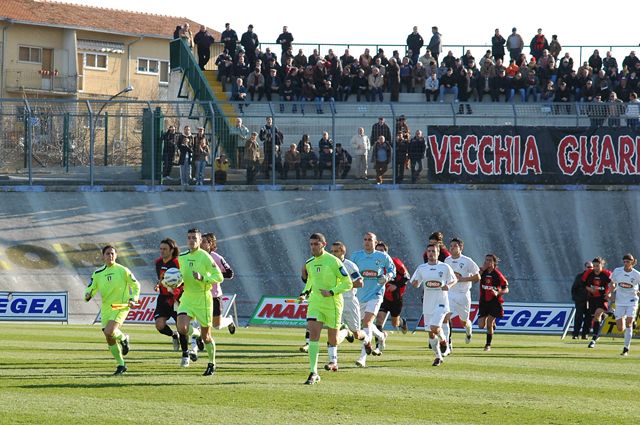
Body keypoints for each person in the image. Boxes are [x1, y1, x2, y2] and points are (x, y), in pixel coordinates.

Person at [299, 233, 352, 384]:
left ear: (323, 244)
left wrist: (331, 292)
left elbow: (347, 283)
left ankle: (345, 331)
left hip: (333, 304)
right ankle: (313, 372)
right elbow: (310, 281)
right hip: (315, 303)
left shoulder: (333, 261)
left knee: (333, 339)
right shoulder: (309, 263)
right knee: (313, 334)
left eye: (316, 244)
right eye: (311, 244)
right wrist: (304, 294)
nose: (313, 247)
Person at [85, 245, 140, 375]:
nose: (110, 256)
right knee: (108, 336)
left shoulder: (123, 270)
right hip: (106, 308)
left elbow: (136, 284)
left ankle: (122, 339)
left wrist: (134, 298)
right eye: (108, 253)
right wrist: (87, 295)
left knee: (110, 331)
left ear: (116, 256)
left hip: (121, 305)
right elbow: (91, 288)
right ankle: (121, 364)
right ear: (103, 256)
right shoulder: (98, 273)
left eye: (112, 253)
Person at [176, 228, 223, 375]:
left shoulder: (205, 257)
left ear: (199, 241)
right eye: (189, 238)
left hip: (203, 298)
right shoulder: (182, 257)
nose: (191, 240)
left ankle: (212, 363)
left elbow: (219, 277)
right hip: (188, 297)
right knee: (181, 328)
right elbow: (181, 278)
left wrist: (203, 278)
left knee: (207, 336)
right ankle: (194, 332)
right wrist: (173, 282)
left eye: (194, 238)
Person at [351, 232, 395, 368]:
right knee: (365, 325)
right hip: (359, 296)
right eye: (365, 239)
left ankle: (362, 357)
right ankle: (381, 337)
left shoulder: (382, 257)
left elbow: (392, 270)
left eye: (370, 240)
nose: (367, 242)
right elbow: (349, 271)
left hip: (375, 294)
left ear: (375, 243)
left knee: (367, 322)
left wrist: (387, 277)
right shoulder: (356, 256)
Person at [410, 243, 457, 366]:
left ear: (438, 253)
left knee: (435, 327)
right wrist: (415, 283)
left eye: (433, 251)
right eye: (429, 251)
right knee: (430, 333)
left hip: (441, 302)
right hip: (428, 303)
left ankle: (443, 340)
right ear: (427, 253)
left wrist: (449, 286)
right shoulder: (422, 268)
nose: (431, 253)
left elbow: (454, 279)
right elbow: (415, 282)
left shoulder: (445, 267)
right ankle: (438, 356)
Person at [326, 241, 369, 365]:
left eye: (336, 251)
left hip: (349, 302)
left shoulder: (350, 265)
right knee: (332, 332)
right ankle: (333, 362)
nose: (333, 253)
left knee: (357, 334)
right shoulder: (329, 265)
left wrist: (343, 287)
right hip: (334, 302)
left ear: (343, 252)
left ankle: (366, 340)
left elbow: (360, 282)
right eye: (332, 251)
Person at [443, 238, 480, 350]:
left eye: (455, 245)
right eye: (451, 245)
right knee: (446, 317)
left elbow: (477, 277)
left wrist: (462, 279)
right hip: (450, 293)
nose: (452, 247)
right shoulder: (447, 260)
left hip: (463, 295)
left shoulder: (467, 261)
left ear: (461, 248)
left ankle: (468, 331)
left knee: (464, 321)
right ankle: (447, 343)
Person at [375, 241, 410, 349]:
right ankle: (378, 344)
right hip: (383, 297)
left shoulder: (394, 261)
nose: (379, 253)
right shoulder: (374, 263)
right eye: (377, 251)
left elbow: (407, 277)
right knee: (379, 320)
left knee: (395, 324)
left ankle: (402, 322)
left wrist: (396, 286)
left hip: (396, 298)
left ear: (386, 252)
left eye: (382, 251)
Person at [200, 233, 236, 335]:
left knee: (217, 325)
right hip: (199, 294)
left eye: (203, 242)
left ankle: (229, 320)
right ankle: (196, 341)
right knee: (199, 320)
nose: (200, 244)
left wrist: (213, 276)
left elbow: (230, 274)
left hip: (214, 295)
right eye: (200, 241)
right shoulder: (196, 256)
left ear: (210, 243)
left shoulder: (216, 257)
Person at [153, 238, 183, 352]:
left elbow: (183, 280)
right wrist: (158, 285)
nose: (162, 251)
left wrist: (176, 291)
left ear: (172, 250)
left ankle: (194, 340)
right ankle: (174, 335)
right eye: (161, 249)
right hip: (163, 298)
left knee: (182, 326)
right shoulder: (158, 262)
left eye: (165, 249)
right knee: (159, 325)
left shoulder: (177, 263)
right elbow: (161, 278)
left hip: (176, 298)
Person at [478, 254, 509, 351]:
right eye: (486, 260)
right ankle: (492, 321)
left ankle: (488, 345)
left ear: (494, 262)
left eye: (489, 260)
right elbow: (475, 279)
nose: (487, 262)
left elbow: (506, 289)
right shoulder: (482, 272)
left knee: (489, 324)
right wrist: (481, 270)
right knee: (481, 326)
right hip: (483, 301)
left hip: (494, 302)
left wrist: (498, 292)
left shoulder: (497, 274)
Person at [610, 254, 640, 356]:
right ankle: (625, 318)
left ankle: (626, 348)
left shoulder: (637, 274)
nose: (626, 264)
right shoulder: (617, 271)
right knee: (620, 328)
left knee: (629, 323)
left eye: (628, 262)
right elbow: (612, 283)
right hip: (620, 301)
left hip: (632, 300)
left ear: (632, 262)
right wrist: (610, 292)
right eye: (624, 262)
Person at [584, 257, 612, 349]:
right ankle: (606, 314)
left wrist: (609, 293)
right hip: (592, 298)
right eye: (594, 266)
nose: (595, 268)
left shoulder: (607, 274)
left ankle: (594, 338)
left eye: (597, 266)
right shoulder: (589, 273)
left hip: (602, 298)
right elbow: (584, 285)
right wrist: (590, 289)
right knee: (595, 318)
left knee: (597, 315)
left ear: (602, 265)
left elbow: (614, 284)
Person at [570, 261, 594, 340]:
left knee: (588, 319)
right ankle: (575, 334)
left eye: (591, 267)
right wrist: (575, 298)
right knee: (578, 318)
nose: (590, 269)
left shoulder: (595, 277)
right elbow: (574, 288)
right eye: (588, 267)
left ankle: (585, 334)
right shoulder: (580, 276)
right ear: (585, 268)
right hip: (580, 301)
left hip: (590, 301)